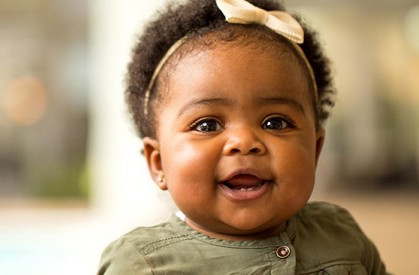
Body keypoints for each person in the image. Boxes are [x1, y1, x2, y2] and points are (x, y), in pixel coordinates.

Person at [98, 0, 388, 274]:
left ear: (314, 150)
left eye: (275, 122)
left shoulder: (341, 234)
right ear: (158, 163)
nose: (244, 141)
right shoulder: (143, 263)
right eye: (207, 125)